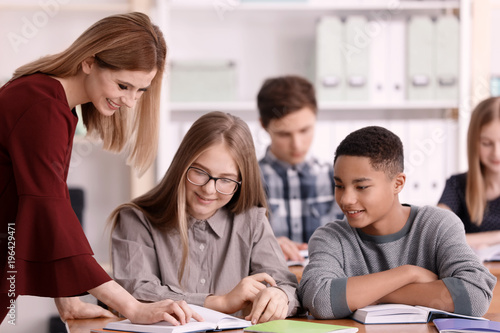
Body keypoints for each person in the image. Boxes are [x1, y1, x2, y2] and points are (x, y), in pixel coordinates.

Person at [0, 12, 201, 326]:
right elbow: (47, 209)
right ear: (89, 62)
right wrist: (133, 308)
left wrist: (68, 298)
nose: (131, 102)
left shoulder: (53, 103)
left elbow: (44, 204)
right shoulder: (42, 107)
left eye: (140, 90)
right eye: (123, 85)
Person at [110, 111, 301, 325]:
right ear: (182, 165)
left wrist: (280, 297)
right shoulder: (136, 220)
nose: (209, 189)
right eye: (200, 172)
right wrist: (219, 303)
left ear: (241, 182)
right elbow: (134, 295)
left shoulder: (252, 222)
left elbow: (288, 287)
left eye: (226, 180)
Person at [298, 126, 496, 319]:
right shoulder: (330, 237)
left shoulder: (438, 225)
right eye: (339, 185)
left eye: (361, 187)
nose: (346, 199)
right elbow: (319, 300)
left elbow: (475, 296)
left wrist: (367, 294)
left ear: (398, 183)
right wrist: (408, 274)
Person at [257, 75, 341, 262]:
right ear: (263, 125)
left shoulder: (337, 178)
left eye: (305, 130)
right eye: (284, 134)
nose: (297, 144)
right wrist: (259, 246)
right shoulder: (245, 182)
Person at [438, 97, 500, 249]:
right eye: (486, 143)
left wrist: (472, 241)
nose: (496, 153)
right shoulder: (457, 185)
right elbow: (437, 235)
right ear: (474, 142)